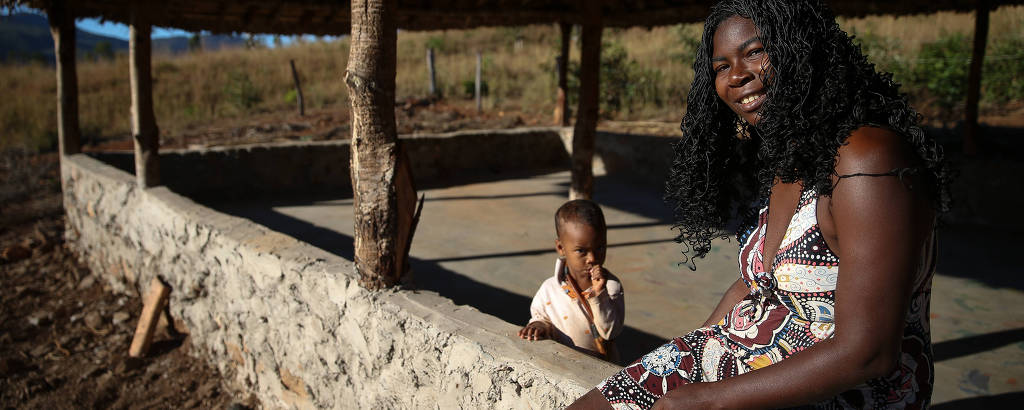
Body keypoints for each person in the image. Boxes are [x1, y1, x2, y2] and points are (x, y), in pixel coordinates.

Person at [569, 0, 951, 408]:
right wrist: (683, 357)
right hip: (749, 363)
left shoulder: (867, 158)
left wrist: (708, 401)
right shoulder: (789, 157)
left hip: (840, 393)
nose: (738, 75)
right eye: (721, 66)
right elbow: (756, 284)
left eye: (755, 52)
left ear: (801, 48)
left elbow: (868, 352)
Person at [518, 199, 625, 363]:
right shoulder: (550, 289)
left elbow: (610, 332)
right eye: (581, 251)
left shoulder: (611, 287)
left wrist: (599, 295)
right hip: (563, 367)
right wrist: (539, 326)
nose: (592, 258)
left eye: (600, 248)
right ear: (561, 248)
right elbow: (542, 318)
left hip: (602, 369)